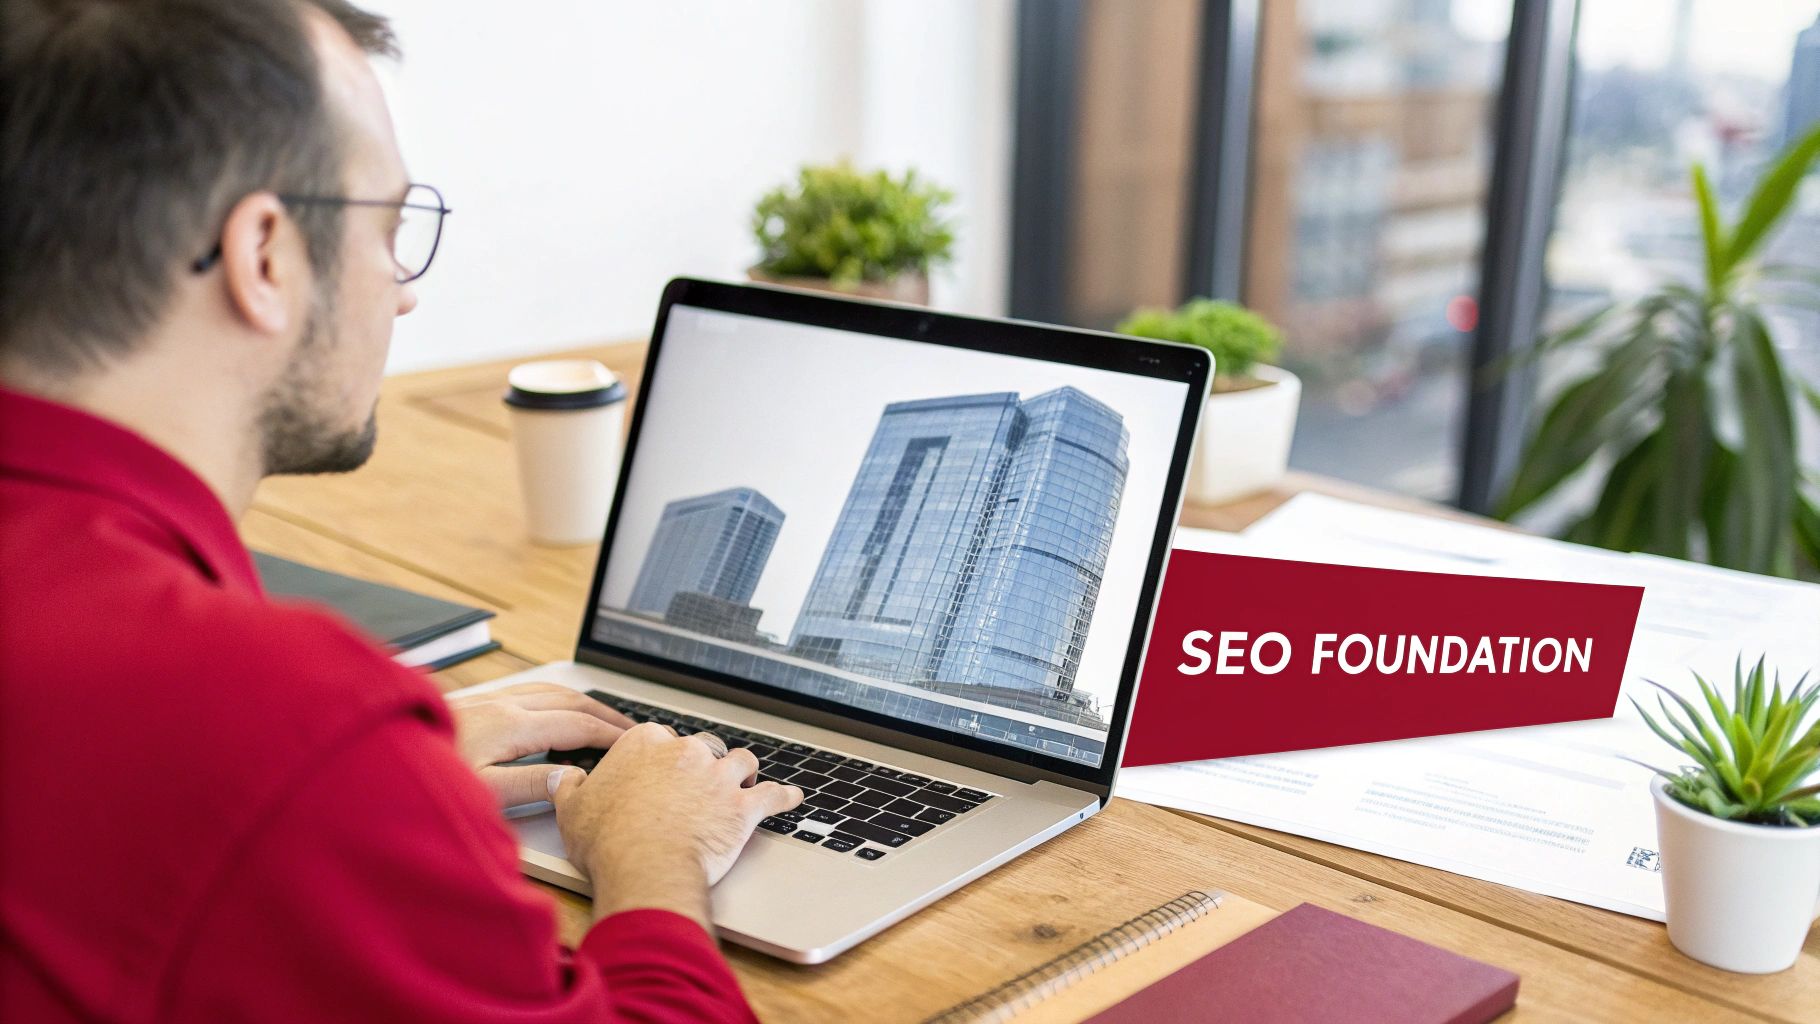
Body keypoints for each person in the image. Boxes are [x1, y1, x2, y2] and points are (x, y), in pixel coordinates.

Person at [0, 1, 803, 1020]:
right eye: (387, 227)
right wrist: (654, 856)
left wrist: (372, 786)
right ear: (265, 257)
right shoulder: (272, 718)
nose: (403, 291)